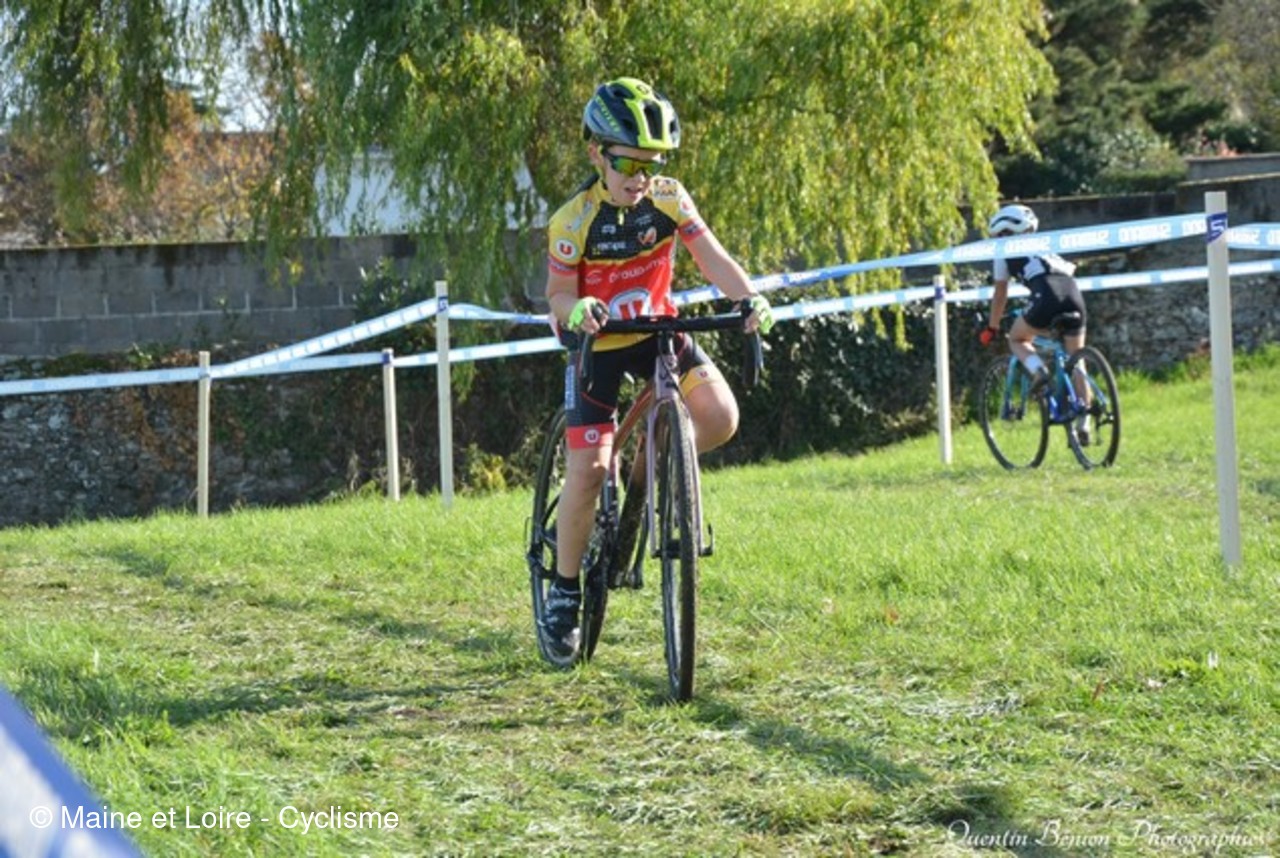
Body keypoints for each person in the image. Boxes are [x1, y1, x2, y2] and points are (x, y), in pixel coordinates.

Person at [541, 76, 774, 657]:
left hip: (656, 333)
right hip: (597, 344)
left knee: (719, 417)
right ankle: (564, 592)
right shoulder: (572, 221)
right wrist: (577, 309)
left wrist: (747, 297)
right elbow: (557, 297)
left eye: (651, 164)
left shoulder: (669, 199)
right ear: (596, 154)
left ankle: (649, 466)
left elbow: (712, 258)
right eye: (627, 163)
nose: (639, 177)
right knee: (590, 471)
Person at [978, 203, 1094, 442]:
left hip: (1046, 295)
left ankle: (1039, 371)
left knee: (1017, 338)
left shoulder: (1003, 250)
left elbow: (1000, 293)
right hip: (1073, 293)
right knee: (1076, 358)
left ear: (1001, 231)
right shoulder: (1045, 244)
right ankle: (1085, 420)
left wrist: (992, 327)